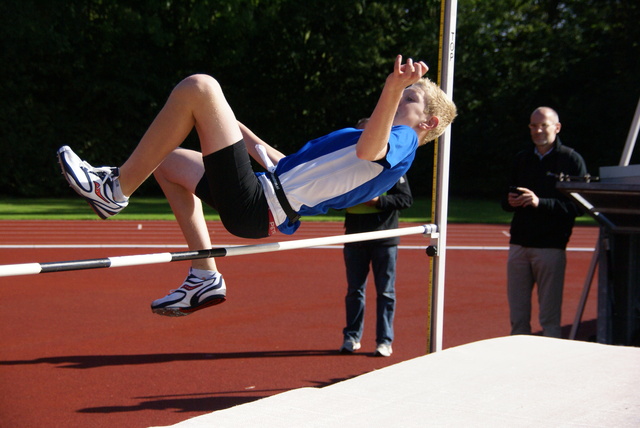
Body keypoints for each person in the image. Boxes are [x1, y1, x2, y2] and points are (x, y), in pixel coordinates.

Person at [57, 55, 457, 317]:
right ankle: (203, 276)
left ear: (428, 124)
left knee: (201, 87)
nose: (399, 97)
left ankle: (112, 191)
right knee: (170, 161)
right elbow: (280, 161)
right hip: (260, 197)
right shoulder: (368, 148)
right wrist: (226, 120)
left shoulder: (402, 142)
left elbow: (373, 147)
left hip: (258, 204)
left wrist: (390, 89)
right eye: (400, 92)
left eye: (409, 97)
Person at [501, 106, 587, 338]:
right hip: (519, 244)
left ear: (557, 128)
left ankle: (551, 366)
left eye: (543, 125)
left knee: (549, 319)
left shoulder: (570, 160)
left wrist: (540, 202)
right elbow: (504, 200)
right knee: (518, 318)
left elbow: (578, 207)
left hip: (551, 247)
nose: (537, 130)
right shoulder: (522, 158)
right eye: (533, 125)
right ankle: (519, 361)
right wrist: (511, 201)